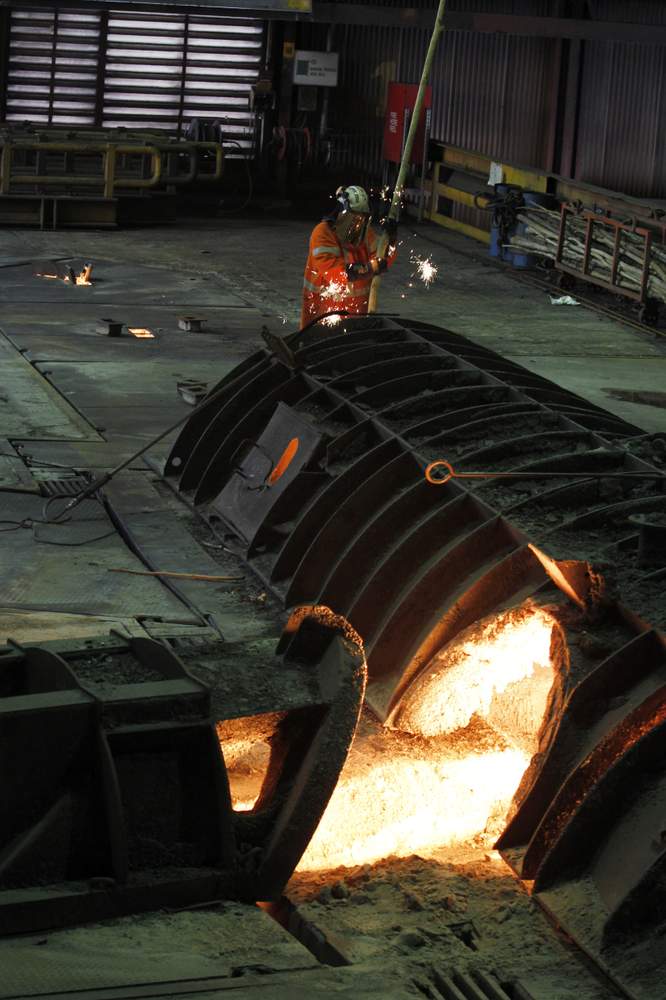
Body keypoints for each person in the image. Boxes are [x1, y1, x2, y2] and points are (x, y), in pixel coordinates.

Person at [301, 185, 397, 328]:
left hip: (357, 319)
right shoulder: (322, 234)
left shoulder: (365, 235)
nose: (356, 224)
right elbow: (339, 276)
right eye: (353, 218)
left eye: (360, 219)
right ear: (341, 214)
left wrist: (390, 239)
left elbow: (384, 258)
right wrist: (372, 267)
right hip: (322, 319)